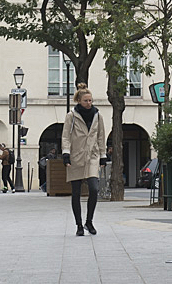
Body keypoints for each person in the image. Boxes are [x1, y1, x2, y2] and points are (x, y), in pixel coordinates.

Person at [61, 84, 107, 236]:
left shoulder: (97, 115)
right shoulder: (71, 116)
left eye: (90, 100)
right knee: (76, 192)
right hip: (76, 156)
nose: (89, 103)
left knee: (94, 189)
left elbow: (101, 136)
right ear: (79, 101)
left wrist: (103, 155)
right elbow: (66, 136)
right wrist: (66, 153)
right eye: (86, 100)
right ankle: (79, 225)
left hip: (92, 156)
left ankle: (89, 221)